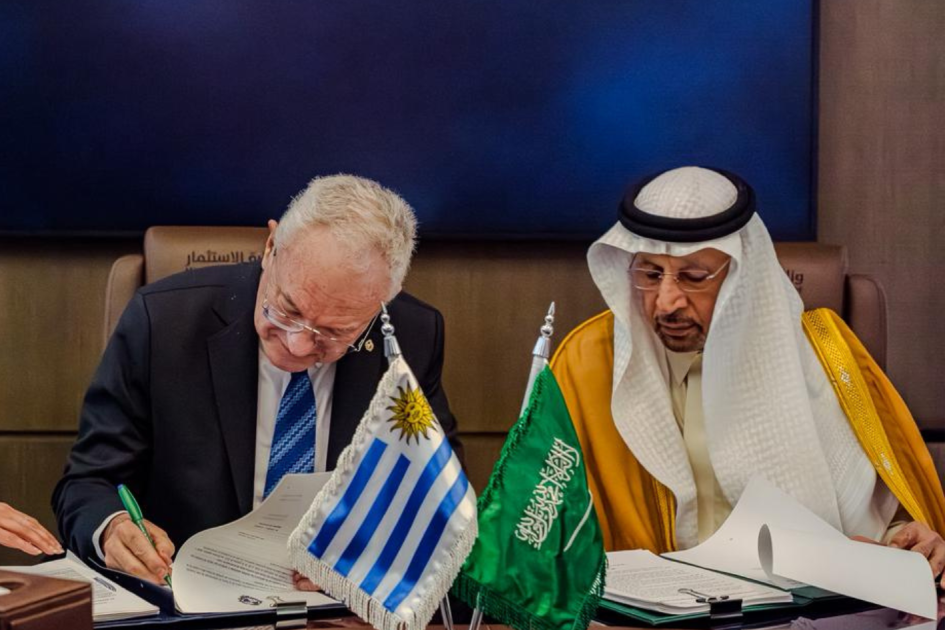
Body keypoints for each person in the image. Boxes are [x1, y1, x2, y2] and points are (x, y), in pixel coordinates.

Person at [53, 175, 461, 586]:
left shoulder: (410, 337)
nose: (299, 346)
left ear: (383, 301)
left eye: (334, 332)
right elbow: (89, 483)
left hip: (332, 608)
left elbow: (439, 502)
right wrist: (112, 528)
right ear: (270, 248)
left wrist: (369, 560)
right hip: (189, 601)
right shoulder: (163, 323)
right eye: (287, 308)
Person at [550, 166, 945, 584]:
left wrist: (911, 542)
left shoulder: (826, 353)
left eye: (693, 277)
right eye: (650, 275)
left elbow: (876, 524)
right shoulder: (588, 362)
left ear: (743, 276)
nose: (666, 303)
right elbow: (547, 528)